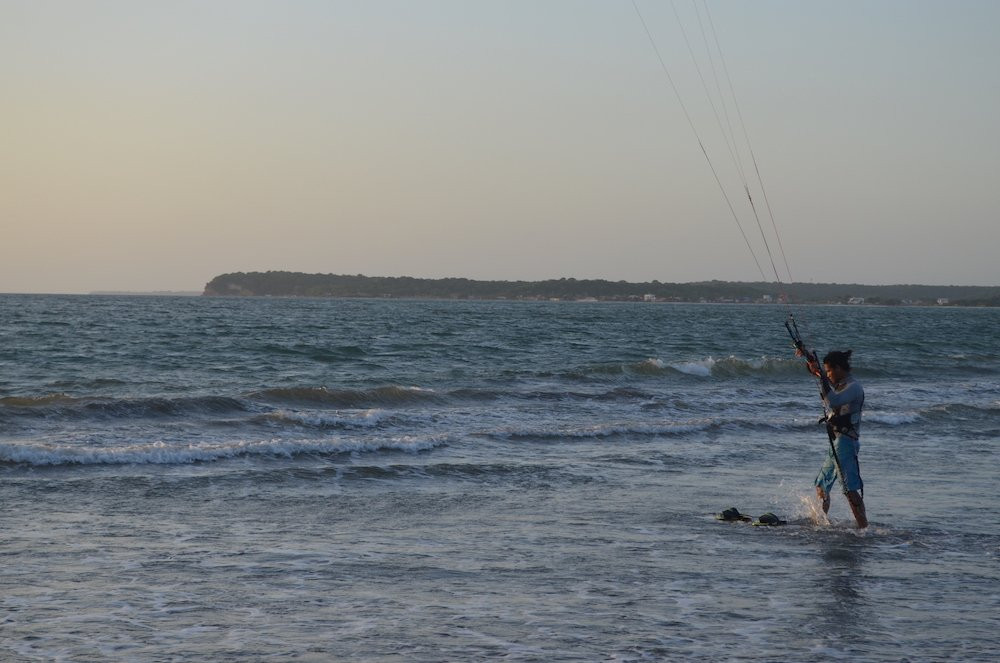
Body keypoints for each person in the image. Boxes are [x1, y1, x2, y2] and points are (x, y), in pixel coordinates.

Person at [800, 349, 869, 529]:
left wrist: (822, 377)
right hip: (836, 442)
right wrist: (811, 362)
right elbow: (821, 377)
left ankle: (864, 529)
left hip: (846, 443)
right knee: (821, 485)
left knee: (850, 490)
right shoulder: (840, 382)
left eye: (830, 370)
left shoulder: (853, 386)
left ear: (838, 368)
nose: (828, 374)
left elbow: (834, 401)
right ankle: (820, 523)